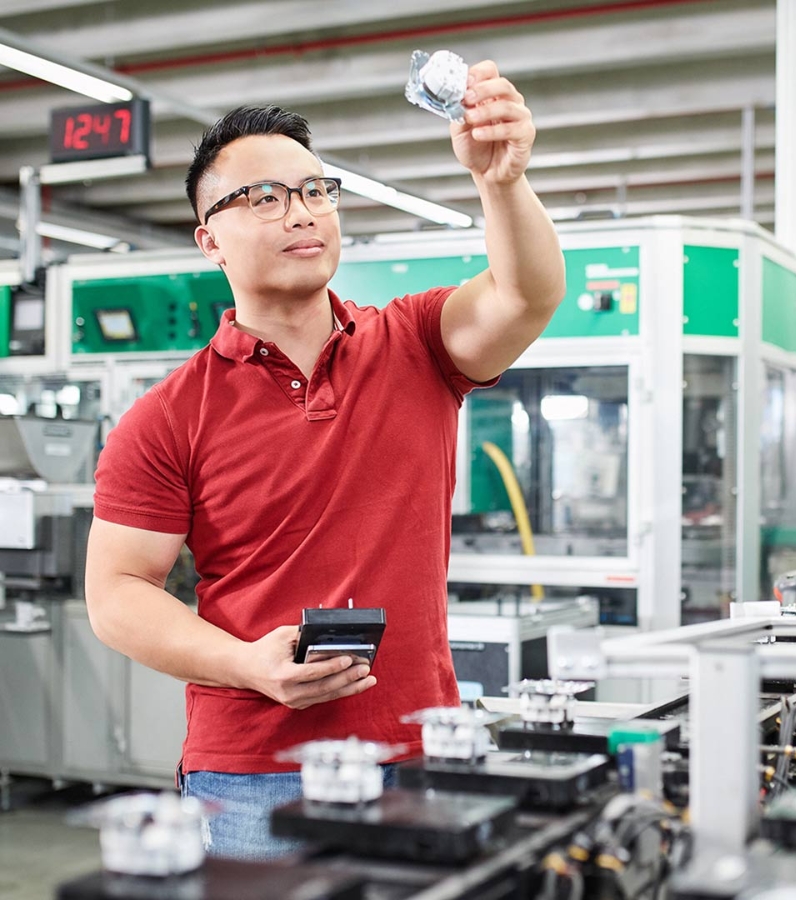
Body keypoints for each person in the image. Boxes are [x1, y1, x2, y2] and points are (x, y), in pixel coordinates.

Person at [84, 59, 565, 861]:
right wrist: (242, 662)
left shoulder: (413, 344)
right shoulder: (166, 418)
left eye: (314, 191)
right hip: (254, 775)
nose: (301, 213)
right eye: (263, 198)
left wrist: (503, 182)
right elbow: (116, 594)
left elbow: (527, 296)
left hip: (419, 753)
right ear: (210, 240)